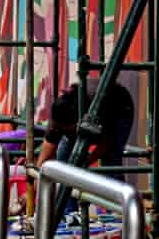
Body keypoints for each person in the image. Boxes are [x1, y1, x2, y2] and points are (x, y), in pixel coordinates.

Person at [37, 81, 135, 224]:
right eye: (64, 129)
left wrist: (86, 161)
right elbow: (45, 156)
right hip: (85, 117)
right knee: (63, 158)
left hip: (120, 108)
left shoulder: (99, 108)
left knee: (111, 161)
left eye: (70, 128)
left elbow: (107, 144)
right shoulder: (59, 115)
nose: (68, 132)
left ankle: (117, 215)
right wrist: (35, 180)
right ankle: (70, 213)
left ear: (77, 121)